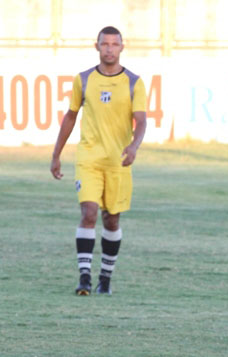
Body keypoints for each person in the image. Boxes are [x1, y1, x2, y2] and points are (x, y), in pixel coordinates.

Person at [51, 26, 147, 294]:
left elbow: (140, 121)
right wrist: (56, 153)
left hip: (118, 161)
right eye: (104, 44)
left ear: (121, 48)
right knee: (89, 213)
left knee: (112, 220)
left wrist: (134, 146)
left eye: (114, 44)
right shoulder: (83, 79)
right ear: (97, 47)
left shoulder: (133, 82)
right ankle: (84, 277)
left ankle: (105, 277)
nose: (109, 49)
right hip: (88, 159)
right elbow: (70, 116)